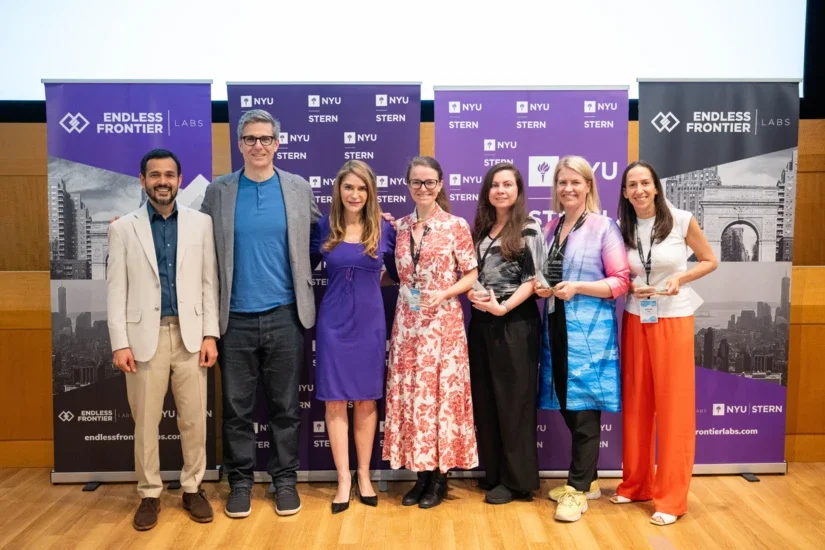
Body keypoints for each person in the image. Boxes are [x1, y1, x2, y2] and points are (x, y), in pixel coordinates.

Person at [200, 109, 321, 518]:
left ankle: (285, 482)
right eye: (250, 139)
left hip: (286, 314)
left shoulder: (298, 188)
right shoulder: (219, 191)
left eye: (265, 139)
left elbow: (326, 234)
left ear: (278, 143)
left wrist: (376, 228)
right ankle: (240, 484)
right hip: (232, 319)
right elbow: (196, 243)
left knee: (286, 407)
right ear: (239, 144)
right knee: (236, 411)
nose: (258, 146)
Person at [107, 148, 219, 531]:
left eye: (169, 175)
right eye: (154, 175)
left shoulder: (201, 224)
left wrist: (209, 334)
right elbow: (115, 289)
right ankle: (149, 493)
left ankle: (192, 488)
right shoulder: (123, 229)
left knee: (193, 421)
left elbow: (209, 283)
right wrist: (119, 342)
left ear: (180, 179)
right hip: (143, 340)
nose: (162, 182)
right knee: (145, 423)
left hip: (190, 338)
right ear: (143, 181)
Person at [611, 161, 717, 526]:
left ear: (656, 187)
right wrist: (628, 285)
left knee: (673, 409)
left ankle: (671, 499)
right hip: (636, 316)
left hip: (674, 317)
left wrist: (681, 279)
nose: (639, 190)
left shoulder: (682, 219)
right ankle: (636, 484)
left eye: (645, 183)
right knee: (637, 403)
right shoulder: (622, 226)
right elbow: (619, 273)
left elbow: (709, 260)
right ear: (624, 192)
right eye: (632, 185)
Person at [535, 155, 630, 523]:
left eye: (576, 182)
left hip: (590, 334)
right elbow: (544, 273)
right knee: (566, 403)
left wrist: (578, 288)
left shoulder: (603, 226)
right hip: (556, 329)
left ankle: (577, 491)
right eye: (562, 183)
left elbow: (620, 281)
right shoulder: (551, 227)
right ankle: (587, 480)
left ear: (588, 185)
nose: (568, 189)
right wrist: (545, 288)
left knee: (585, 412)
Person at [382, 156, 479, 509]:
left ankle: (440, 479)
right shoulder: (400, 227)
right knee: (412, 398)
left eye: (429, 182)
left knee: (441, 400)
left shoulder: (456, 225)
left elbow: (470, 273)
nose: (423, 188)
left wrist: (446, 292)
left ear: (439, 184)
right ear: (407, 185)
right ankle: (420, 475)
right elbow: (393, 272)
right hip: (408, 325)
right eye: (416, 182)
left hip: (443, 326)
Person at [312, 160, 398, 513]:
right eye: (349, 187)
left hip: (369, 323)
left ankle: (364, 476)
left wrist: (367, 284)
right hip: (332, 323)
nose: (355, 194)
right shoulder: (323, 227)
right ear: (339, 190)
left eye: (362, 188)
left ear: (370, 192)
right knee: (334, 401)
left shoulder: (384, 228)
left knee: (366, 400)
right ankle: (343, 479)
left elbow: (398, 274)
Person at [466, 162, 544, 505]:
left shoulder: (529, 227)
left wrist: (504, 307)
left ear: (517, 190)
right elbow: (472, 273)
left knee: (515, 402)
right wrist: (473, 294)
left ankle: (518, 482)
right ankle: (494, 474)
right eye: (495, 185)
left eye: (507, 185)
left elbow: (534, 279)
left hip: (516, 322)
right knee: (487, 400)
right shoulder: (481, 229)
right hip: (482, 322)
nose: (500, 190)